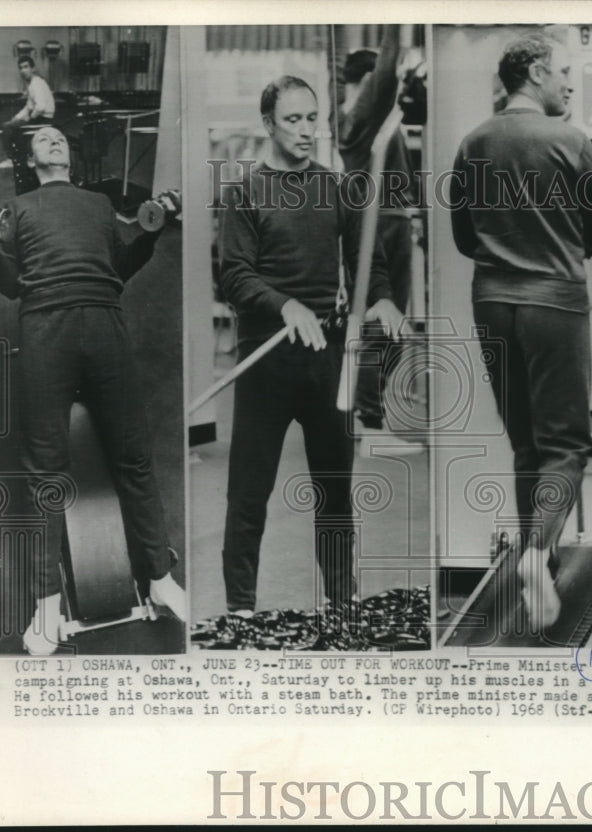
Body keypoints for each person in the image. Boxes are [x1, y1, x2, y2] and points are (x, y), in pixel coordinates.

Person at [0, 126, 187, 655]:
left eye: (60, 136)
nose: (54, 140)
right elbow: (12, 285)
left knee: (133, 457)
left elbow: (120, 269)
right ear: (31, 158)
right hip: (45, 329)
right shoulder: (18, 209)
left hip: (105, 322)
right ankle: (45, 605)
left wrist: (150, 232)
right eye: (44, 138)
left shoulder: (99, 207)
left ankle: (158, 577)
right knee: (46, 469)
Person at [217, 76, 404, 618]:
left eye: (310, 118)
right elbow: (235, 275)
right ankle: (240, 608)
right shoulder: (244, 192)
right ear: (269, 124)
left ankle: (341, 598)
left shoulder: (337, 187)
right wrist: (284, 305)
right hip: (266, 354)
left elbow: (369, 264)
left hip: (327, 354)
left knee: (335, 488)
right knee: (249, 492)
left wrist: (382, 299)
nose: (305, 130)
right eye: (293, 120)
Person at [449, 32, 592, 629]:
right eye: (565, 72)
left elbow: (464, 237)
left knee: (526, 445)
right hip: (554, 303)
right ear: (538, 72)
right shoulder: (571, 140)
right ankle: (538, 554)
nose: (570, 83)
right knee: (567, 447)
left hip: (492, 301)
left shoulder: (473, 142)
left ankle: (534, 564)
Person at [332, 25, 422, 447]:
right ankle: (370, 418)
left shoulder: (350, 122)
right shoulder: (363, 119)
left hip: (380, 221)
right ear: (366, 82)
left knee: (376, 322)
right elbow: (386, 71)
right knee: (382, 324)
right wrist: (394, 23)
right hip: (382, 224)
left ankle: (368, 413)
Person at [0, 55, 55, 170]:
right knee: (12, 124)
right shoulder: (33, 83)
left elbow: (40, 107)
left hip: (43, 119)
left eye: (26, 67)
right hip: (41, 118)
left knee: (7, 127)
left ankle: (11, 159)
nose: (23, 70)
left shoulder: (36, 84)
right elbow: (29, 106)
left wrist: (30, 118)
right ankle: (25, 157)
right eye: (21, 68)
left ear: (33, 69)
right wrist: (16, 117)